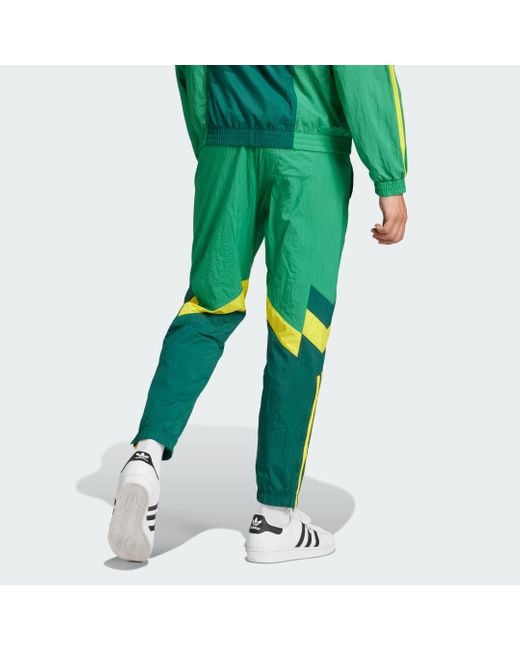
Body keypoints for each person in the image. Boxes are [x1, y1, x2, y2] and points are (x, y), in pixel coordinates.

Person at [108, 65, 408, 564]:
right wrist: (389, 176)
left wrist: (214, 145)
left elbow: (190, 66)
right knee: (298, 330)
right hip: (307, 156)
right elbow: (361, 66)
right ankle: (274, 519)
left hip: (226, 147)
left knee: (207, 306)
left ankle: (146, 454)